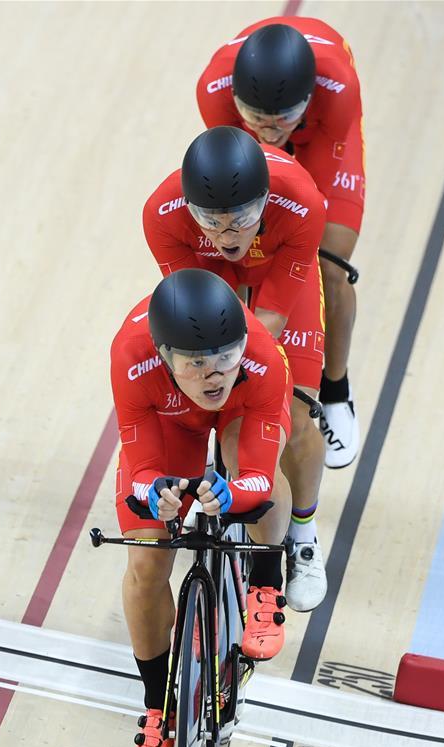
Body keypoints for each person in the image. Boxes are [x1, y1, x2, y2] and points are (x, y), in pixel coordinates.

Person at [111, 268, 293, 747]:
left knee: (246, 467)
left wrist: (234, 493)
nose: (214, 375)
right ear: (164, 356)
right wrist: (154, 491)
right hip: (169, 422)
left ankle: (265, 581)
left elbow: (259, 476)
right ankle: (157, 709)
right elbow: (141, 464)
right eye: (196, 362)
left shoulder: (259, 359)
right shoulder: (130, 357)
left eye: (225, 357)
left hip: (242, 412)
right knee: (146, 566)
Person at [143, 125, 328, 612]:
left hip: (280, 273)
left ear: (264, 202)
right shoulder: (163, 215)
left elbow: (266, 328)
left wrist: (255, 394)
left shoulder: (302, 203)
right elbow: (201, 315)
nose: (227, 234)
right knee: (204, 360)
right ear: (190, 208)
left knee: (296, 414)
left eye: (241, 219)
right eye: (211, 221)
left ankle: (303, 535)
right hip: (212, 281)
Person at [196, 17, 365, 468]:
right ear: (236, 101)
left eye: (281, 120)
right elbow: (231, 168)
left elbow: (308, 199)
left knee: (327, 262)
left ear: (306, 100)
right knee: (231, 258)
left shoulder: (337, 90)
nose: (270, 132)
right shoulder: (213, 90)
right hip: (258, 136)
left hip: (319, 136)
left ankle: (336, 389)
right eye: (258, 119)